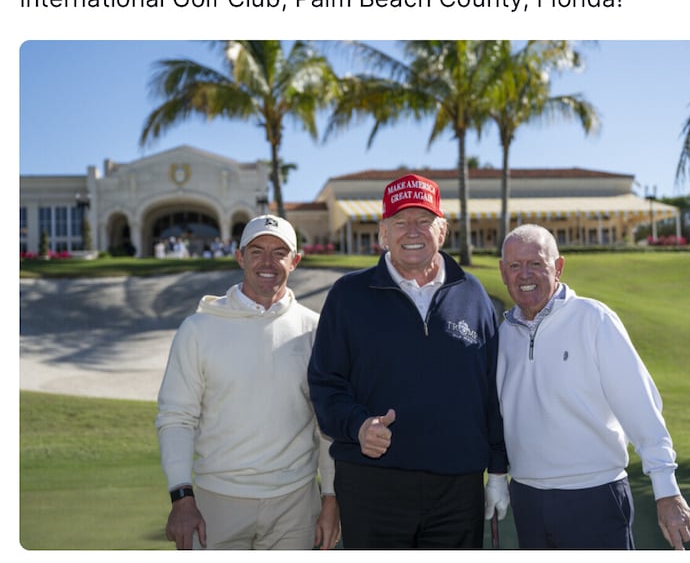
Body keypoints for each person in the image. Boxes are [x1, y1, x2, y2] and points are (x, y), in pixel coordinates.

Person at [308, 173, 509, 549]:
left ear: (443, 230)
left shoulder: (473, 294)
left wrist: (497, 468)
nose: (412, 231)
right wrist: (358, 425)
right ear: (383, 233)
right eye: (400, 222)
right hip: (372, 485)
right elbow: (325, 384)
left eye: (424, 220)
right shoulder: (349, 296)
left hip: (457, 487)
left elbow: (492, 392)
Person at [496, 224, 690, 550]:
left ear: (558, 267)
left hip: (595, 496)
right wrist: (498, 478)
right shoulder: (504, 334)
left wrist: (667, 489)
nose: (524, 274)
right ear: (503, 273)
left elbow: (640, 406)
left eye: (535, 264)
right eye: (515, 266)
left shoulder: (594, 319)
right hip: (527, 499)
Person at [155, 215, 340, 550]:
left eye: (279, 252)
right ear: (239, 257)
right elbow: (177, 418)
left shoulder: (316, 330)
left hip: (296, 504)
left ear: (295, 261)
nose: (267, 262)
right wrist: (181, 497)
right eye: (257, 251)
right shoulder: (198, 329)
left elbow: (326, 423)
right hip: (216, 504)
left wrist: (330, 498)